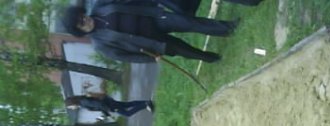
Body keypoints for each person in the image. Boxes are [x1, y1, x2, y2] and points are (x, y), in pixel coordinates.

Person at [61, 1, 239, 63]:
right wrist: (150, 58)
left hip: (155, 18)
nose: (85, 20)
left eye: (82, 16)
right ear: (80, 31)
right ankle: (212, 58)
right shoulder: (101, 44)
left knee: (190, 23)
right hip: (154, 43)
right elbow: (125, 57)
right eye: (81, 23)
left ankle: (228, 28)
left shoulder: (101, 6)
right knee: (186, 51)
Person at [66, 94, 154, 117]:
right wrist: (106, 113)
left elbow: (98, 104)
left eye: (71, 107)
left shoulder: (83, 102)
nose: (72, 109)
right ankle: (145, 102)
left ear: (72, 103)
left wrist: (108, 110)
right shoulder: (82, 102)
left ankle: (145, 105)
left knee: (127, 114)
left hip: (109, 105)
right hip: (108, 102)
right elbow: (98, 105)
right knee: (127, 105)